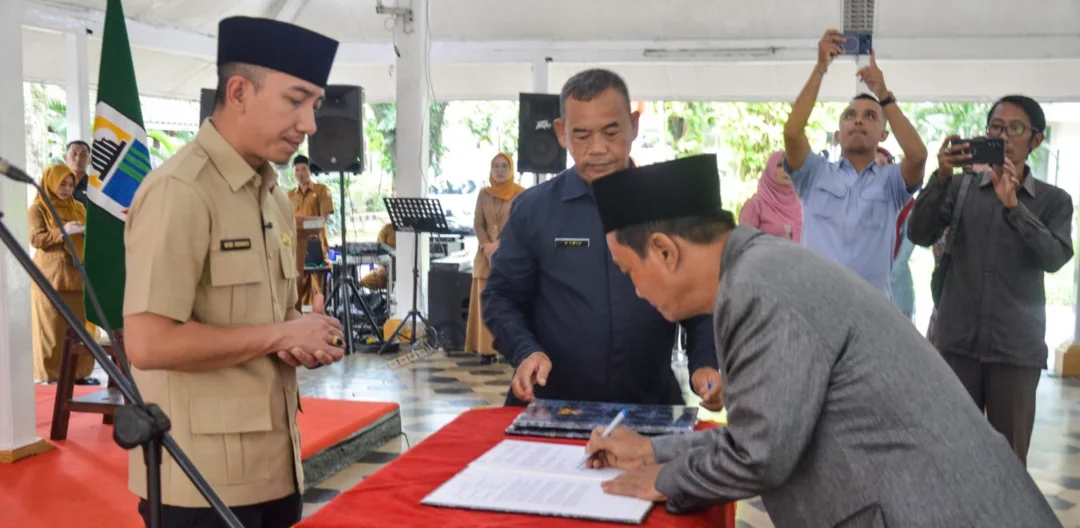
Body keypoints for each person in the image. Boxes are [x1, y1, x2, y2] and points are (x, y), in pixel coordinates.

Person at [583, 154, 1059, 527]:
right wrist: (652, 450)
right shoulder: (761, 268)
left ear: (665, 251)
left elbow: (759, 457)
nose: (636, 291)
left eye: (629, 271)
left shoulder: (758, 288)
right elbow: (765, 434)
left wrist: (664, 479)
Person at [122, 17, 346, 527]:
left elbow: (267, 312)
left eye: (314, 104)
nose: (310, 123)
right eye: (296, 100)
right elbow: (148, 343)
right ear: (239, 91)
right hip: (199, 481)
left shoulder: (270, 192)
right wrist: (278, 333)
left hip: (274, 464)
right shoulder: (181, 190)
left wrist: (299, 334)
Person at [482, 68, 722, 409]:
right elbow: (501, 296)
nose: (598, 149)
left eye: (611, 132)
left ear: (634, 126)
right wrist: (526, 351)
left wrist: (706, 364)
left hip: (649, 408)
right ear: (562, 133)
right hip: (552, 406)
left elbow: (702, 303)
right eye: (582, 136)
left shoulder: (671, 209)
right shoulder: (534, 210)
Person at [908, 95, 1074, 465]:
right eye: (996, 127)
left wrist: (1015, 206)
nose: (1003, 136)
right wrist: (941, 176)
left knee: (1009, 463)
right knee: (950, 455)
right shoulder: (959, 188)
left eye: (1015, 128)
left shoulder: (1053, 201)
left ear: (1035, 140)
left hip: (1014, 352)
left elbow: (1055, 258)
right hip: (956, 345)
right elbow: (918, 233)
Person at [784, 29, 928, 297]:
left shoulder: (892, 183)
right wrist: (820, 68)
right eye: (850, 115)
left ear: (884, 135)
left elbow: (918, 155)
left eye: (871, 116)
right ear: (837, 134)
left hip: (871, 312)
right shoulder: (814, 174)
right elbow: (792, 133)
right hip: (816, 305)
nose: (859, 120)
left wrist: (884, 95)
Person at [28, 164, 97, 385]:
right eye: (62, 184)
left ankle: (79, 374)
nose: (66, 189)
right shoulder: (38, 208)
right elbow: (36, 239)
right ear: (50, 182)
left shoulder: (78, 207)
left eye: (70, 184)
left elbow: (90, 231)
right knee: (52, 331)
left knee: (80, 330)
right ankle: (51, 375)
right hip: (50, 279)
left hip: (78, 276)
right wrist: (62, 232)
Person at [466, 153, 525, 365]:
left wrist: (498, 246)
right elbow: (478, 223)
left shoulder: (520, 194)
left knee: (507, 302)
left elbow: (519, 224)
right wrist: (487, 246)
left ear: (511, 169)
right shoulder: (484, 194)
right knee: (484, 301)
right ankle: (485, 350)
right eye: (495, 166)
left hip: (509, 254)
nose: (500, 170)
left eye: (504, 166)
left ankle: (510, 349)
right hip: (485, 256)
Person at [288, 154, 334, 308]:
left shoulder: (321, 190)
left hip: (316, 246)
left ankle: (319, 319)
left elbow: (323, 219)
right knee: (296, 288)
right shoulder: (289, 195)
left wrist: (305, 227)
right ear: (294, 173)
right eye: (297, 170)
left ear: (310, 170)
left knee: (317, 291)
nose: (300, 173)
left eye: (304, 169)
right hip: (295, 248)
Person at [736, 150, 801, 241]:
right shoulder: (756, 205)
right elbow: (742, 243)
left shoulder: (801, 204)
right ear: (770, 170)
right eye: (779, 165)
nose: (786, 170)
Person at [359, 222, 396, 290]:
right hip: (385, 270)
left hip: (404, 272)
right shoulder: (387, 228)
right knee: (364, 281)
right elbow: (379, 251)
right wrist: (381, 267)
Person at [64, 140, 91, 206]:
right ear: (65, 158)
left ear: (90, 160)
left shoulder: (94, 187)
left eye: (83, 155)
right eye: (74, 154)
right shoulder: (56, 185)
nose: (78, 159)